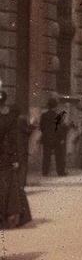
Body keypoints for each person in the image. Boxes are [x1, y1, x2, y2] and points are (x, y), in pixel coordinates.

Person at [0, 93, 32, 229]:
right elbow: (13, 140)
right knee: (8, 185)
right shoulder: (10, 119)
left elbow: (12, 139)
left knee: (7, 185)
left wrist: (14, 158)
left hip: (5, 156)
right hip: (6, 156)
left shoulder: (10, 119)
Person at [38, 97, 69, 177]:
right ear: (55, 106)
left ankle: (45, 172)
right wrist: (62, 138)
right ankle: (60, 172)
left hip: (46, 138)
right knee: (59, 156)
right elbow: (60, 128)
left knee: (46, 156)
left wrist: (46, 133)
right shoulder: (58, 116)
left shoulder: (44, 115)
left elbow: (41, 127)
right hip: (56, 138)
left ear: (48, 106)